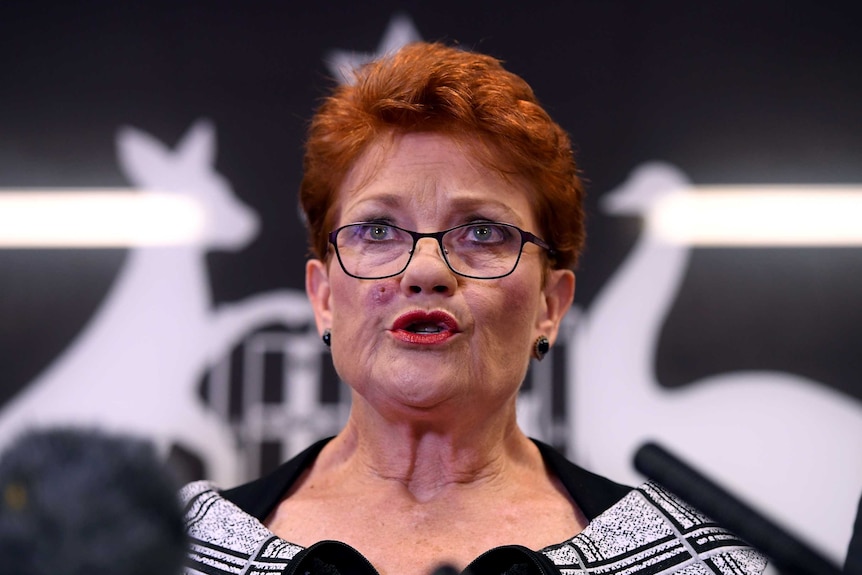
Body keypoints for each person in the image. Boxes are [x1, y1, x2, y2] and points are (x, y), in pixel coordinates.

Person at [180, 42, 766, 575]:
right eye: (378, 228)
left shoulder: (697, 563)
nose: (426, 271)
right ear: (325, 297)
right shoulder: (169, 548)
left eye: (483, 232)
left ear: (549, 305)